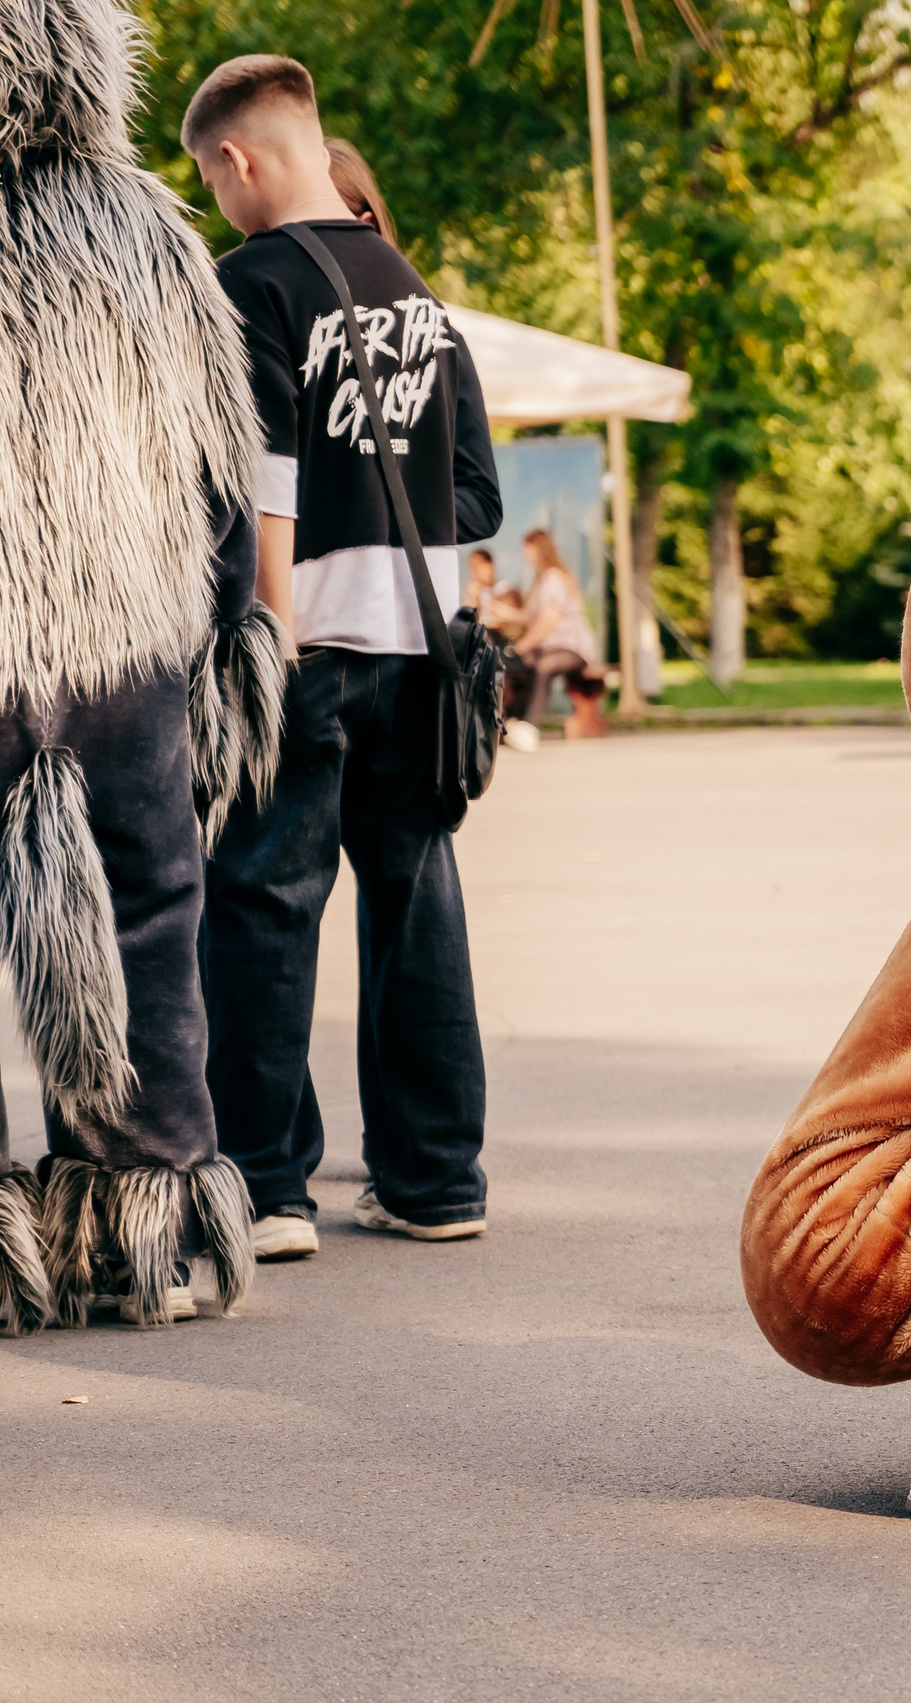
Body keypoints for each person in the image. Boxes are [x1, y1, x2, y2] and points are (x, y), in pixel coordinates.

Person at [185, 55, 503, 1259]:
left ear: (237, 160)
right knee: (416, 906)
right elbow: (475, 490)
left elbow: (264, 478)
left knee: (263, 906)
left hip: (305, 641)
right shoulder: (415, 291)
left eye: (208, 177)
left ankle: (268, 1187)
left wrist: (261, 642)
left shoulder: (246, 283)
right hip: (425, 644)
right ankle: (435, 1178)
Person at [0, 0, 280, 1335]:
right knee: (150, 918)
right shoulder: (151, 235)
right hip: (125, 647)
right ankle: (142, 1220)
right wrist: (229, 631)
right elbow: (222, 460)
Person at [508, 529, 601, 723]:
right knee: (520, 664)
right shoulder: (540, 579)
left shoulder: (553, 578)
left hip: (573, 648)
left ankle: (529, 726)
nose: (525, 553)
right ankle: (511, 720)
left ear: (540, 550)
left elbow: (547, 623)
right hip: (551, 647)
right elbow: (532, 617)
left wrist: (522, 645)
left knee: (543, 666)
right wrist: (504, 613)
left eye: (528, 549)